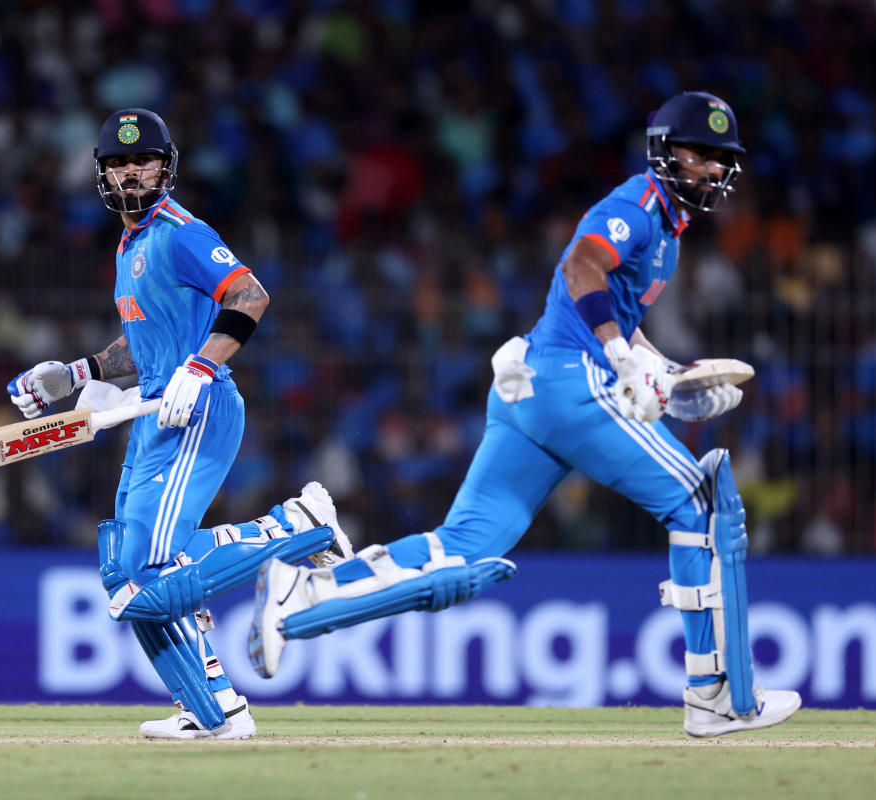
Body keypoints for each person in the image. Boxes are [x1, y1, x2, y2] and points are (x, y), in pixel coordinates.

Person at [248, 92, 801, 737]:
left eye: (720, 158)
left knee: (458, 550)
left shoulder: (669, 233)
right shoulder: (640, 205)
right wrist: (623, 359)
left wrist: (672, 378)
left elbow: (617, 317)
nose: (710, 168)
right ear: (663, 150)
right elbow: (581, 267)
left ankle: (302, 592)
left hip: (533, 392)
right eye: (699, 152)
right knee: (700, 503)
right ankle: (713, 693)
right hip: (570, 385)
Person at [7, 108, 351, 740]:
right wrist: (79, 373)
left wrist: (198, 369)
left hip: (196, 410)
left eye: (143, 161)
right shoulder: (130, 244)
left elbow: (250, 296)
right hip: (153, 416)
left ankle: (297, 530)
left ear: (166, 166)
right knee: (132, 569)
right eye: (119, 163)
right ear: (102, 175)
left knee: (137, 580)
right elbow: (146, 345)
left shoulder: (180, 231)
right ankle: (215, 708)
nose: (132, 172)